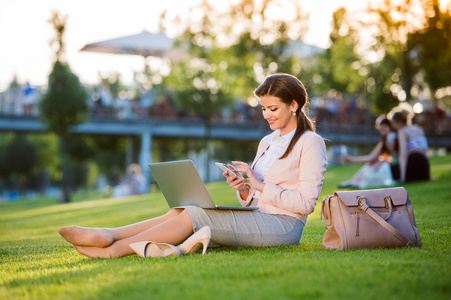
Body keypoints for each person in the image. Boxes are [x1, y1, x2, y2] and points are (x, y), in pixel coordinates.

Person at [58, 73, 328, 258]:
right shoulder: (268, 141)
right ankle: (109, 234)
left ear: (294, 105)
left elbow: (306, 204)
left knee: (195, 216)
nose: (266, 115)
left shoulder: (310, 143)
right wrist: (245, 190)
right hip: (258, 215)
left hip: (284, 227)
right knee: (184, 207)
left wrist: (258, 184)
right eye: (263, 108)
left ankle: (115, 250)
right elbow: (255, 196)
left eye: (273, 108)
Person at [339, 115, 398, 188]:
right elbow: (371, 157)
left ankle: (355, 182)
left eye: (384, 129)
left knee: (377, 162)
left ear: (390, 127)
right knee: (372, 162)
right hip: (390, 165)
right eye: (381, 130)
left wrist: (384, 160)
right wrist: (352, 159)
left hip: (395, 168)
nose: (383, 132)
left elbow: (396, 156)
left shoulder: (393, 137)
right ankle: (353, 181)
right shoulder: (384, 140)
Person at [390, 110, 430, 183]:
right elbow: (424, 148)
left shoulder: (402, 131)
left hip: (414, 162)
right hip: (424, 163)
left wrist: (403, 178)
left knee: (391, 169)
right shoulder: (418, 128)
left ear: (397, 123)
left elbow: (403, 155)